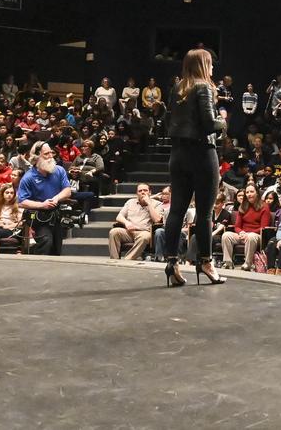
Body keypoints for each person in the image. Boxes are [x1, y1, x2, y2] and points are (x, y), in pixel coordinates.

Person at [163, 48, 227, 286]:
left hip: (178, 154)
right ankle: (206, 262)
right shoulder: (205, 87)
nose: (213, 68)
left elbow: (167, 120)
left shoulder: (177, 88)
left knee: (177, 211)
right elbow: (210, 124)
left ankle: (171, 263)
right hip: (202, 154)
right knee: (204, 213)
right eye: (210, 64)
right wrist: (224, 121)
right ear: (202, 64)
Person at [16, 141, 73, 256]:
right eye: (46, 154)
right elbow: (21, 202)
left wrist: (56, 198)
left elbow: (67, 191)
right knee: (46, 241)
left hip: (56, 214)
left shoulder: (59, 170)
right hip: (39, 216)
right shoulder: (28, 177)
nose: (51, 156)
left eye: (51, 153)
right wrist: (42, 205)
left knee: (57, 248)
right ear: (37, 157)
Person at [221, 182, 270, 271]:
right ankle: (228, 263)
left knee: (251, 237)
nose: (249, 194)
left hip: (257, 235)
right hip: (243, 234)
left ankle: (248, 264)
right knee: (226, 235)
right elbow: (237, 226)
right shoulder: (243, 206)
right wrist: (241, 232)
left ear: (257, 193)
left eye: (251, 192)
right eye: (247, 192)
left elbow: (263, 227)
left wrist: (249, 233)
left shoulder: (264, 207)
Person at [108, 183, 162, 261]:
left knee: (144, 237)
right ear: (137, 193)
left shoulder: (157, 204)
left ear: (150, 192)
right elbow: (119, 217)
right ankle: (114, 260)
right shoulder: (130, 202)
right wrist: (127, 223)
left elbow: (157, 220)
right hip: (129, 231)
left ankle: (127, 260)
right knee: (114, 232)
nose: (143, 192)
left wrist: (149, 204)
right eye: (140, 191)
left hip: (144, 232)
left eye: (145, 190)